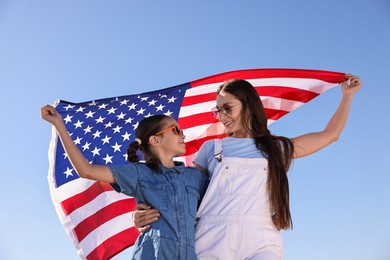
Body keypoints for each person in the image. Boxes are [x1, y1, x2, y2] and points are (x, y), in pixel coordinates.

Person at [133, 74, 362, 259]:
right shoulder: (211, 149)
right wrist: (143, 214)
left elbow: (330, 135)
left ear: (248, 105)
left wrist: (347, 97)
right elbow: (183, 194)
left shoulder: (277, 148)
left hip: (261, 239)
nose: (221, 116)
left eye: (227, 108)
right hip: (212, 238)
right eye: (218, 110)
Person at [40, 108, 209, 260]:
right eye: (176, 130)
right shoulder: (138, 173)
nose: (183, 135)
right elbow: (86, 170)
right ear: (155, 140)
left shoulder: (195, 177)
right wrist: (59, 125)